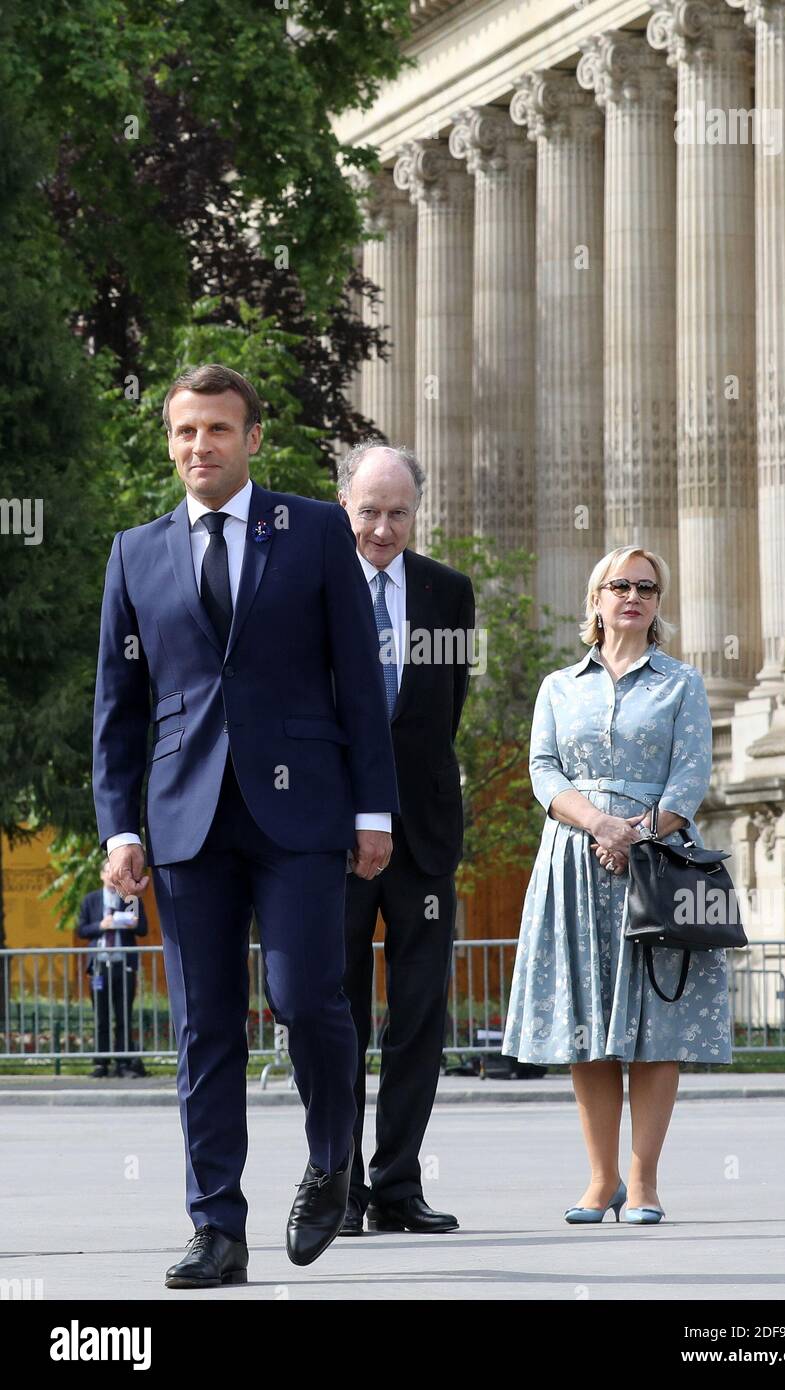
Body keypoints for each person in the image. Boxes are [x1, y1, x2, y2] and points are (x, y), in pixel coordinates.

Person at [92, 364, 399, 1288]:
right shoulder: (134, 552)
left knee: (308, 996)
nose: (200, 447)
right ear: (171, 441)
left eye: (218, 431)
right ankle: (217, 1226)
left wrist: (373, 807)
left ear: (252, 438)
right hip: (185, 819)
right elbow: (118, 705)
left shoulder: (310, 530)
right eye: (186, 432)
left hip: (300, 809)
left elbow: (359, 676)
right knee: (203, 1027)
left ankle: (333, 1160)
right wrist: (118, 829)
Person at [502, 545, 732, 1227]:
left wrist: (635, 834)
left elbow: (691, 778)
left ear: (658, 605)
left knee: (656, 1027)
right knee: (587, 1024)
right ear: (596, 601)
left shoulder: (681, 684)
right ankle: (600, 1180)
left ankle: (644, 1179)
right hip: (575, 860)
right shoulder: (558, 686)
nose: (634, 596)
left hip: (656, 864)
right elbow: (544, 771)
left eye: (648, 588)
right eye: (620, 585)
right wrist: (600, 824)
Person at [336, 441, 475, 1235]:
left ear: (415, 513)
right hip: (337, 843)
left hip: (423, 842)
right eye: (369, 512)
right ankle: (342, 1185)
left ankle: (398, 1185)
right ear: (344, 505)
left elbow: (441, 715)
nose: (383, 529)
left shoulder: (446, 592)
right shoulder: (316, 587)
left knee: (419, 1017)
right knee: (338, 1018)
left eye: (398, 513)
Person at [77, 859, 149, 1078]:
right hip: (99, 966)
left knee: (123, 1015)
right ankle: (101, 1063)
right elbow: (81, 930)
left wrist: (132, 922)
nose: (111, 875)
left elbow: (143, 928)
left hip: (123, 965)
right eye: (107, 871)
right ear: (101, 875)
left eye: (113, 871)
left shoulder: (130, 899)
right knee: (101, 1017)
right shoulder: (91, 900)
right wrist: (101, 925)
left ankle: (124, 1063)